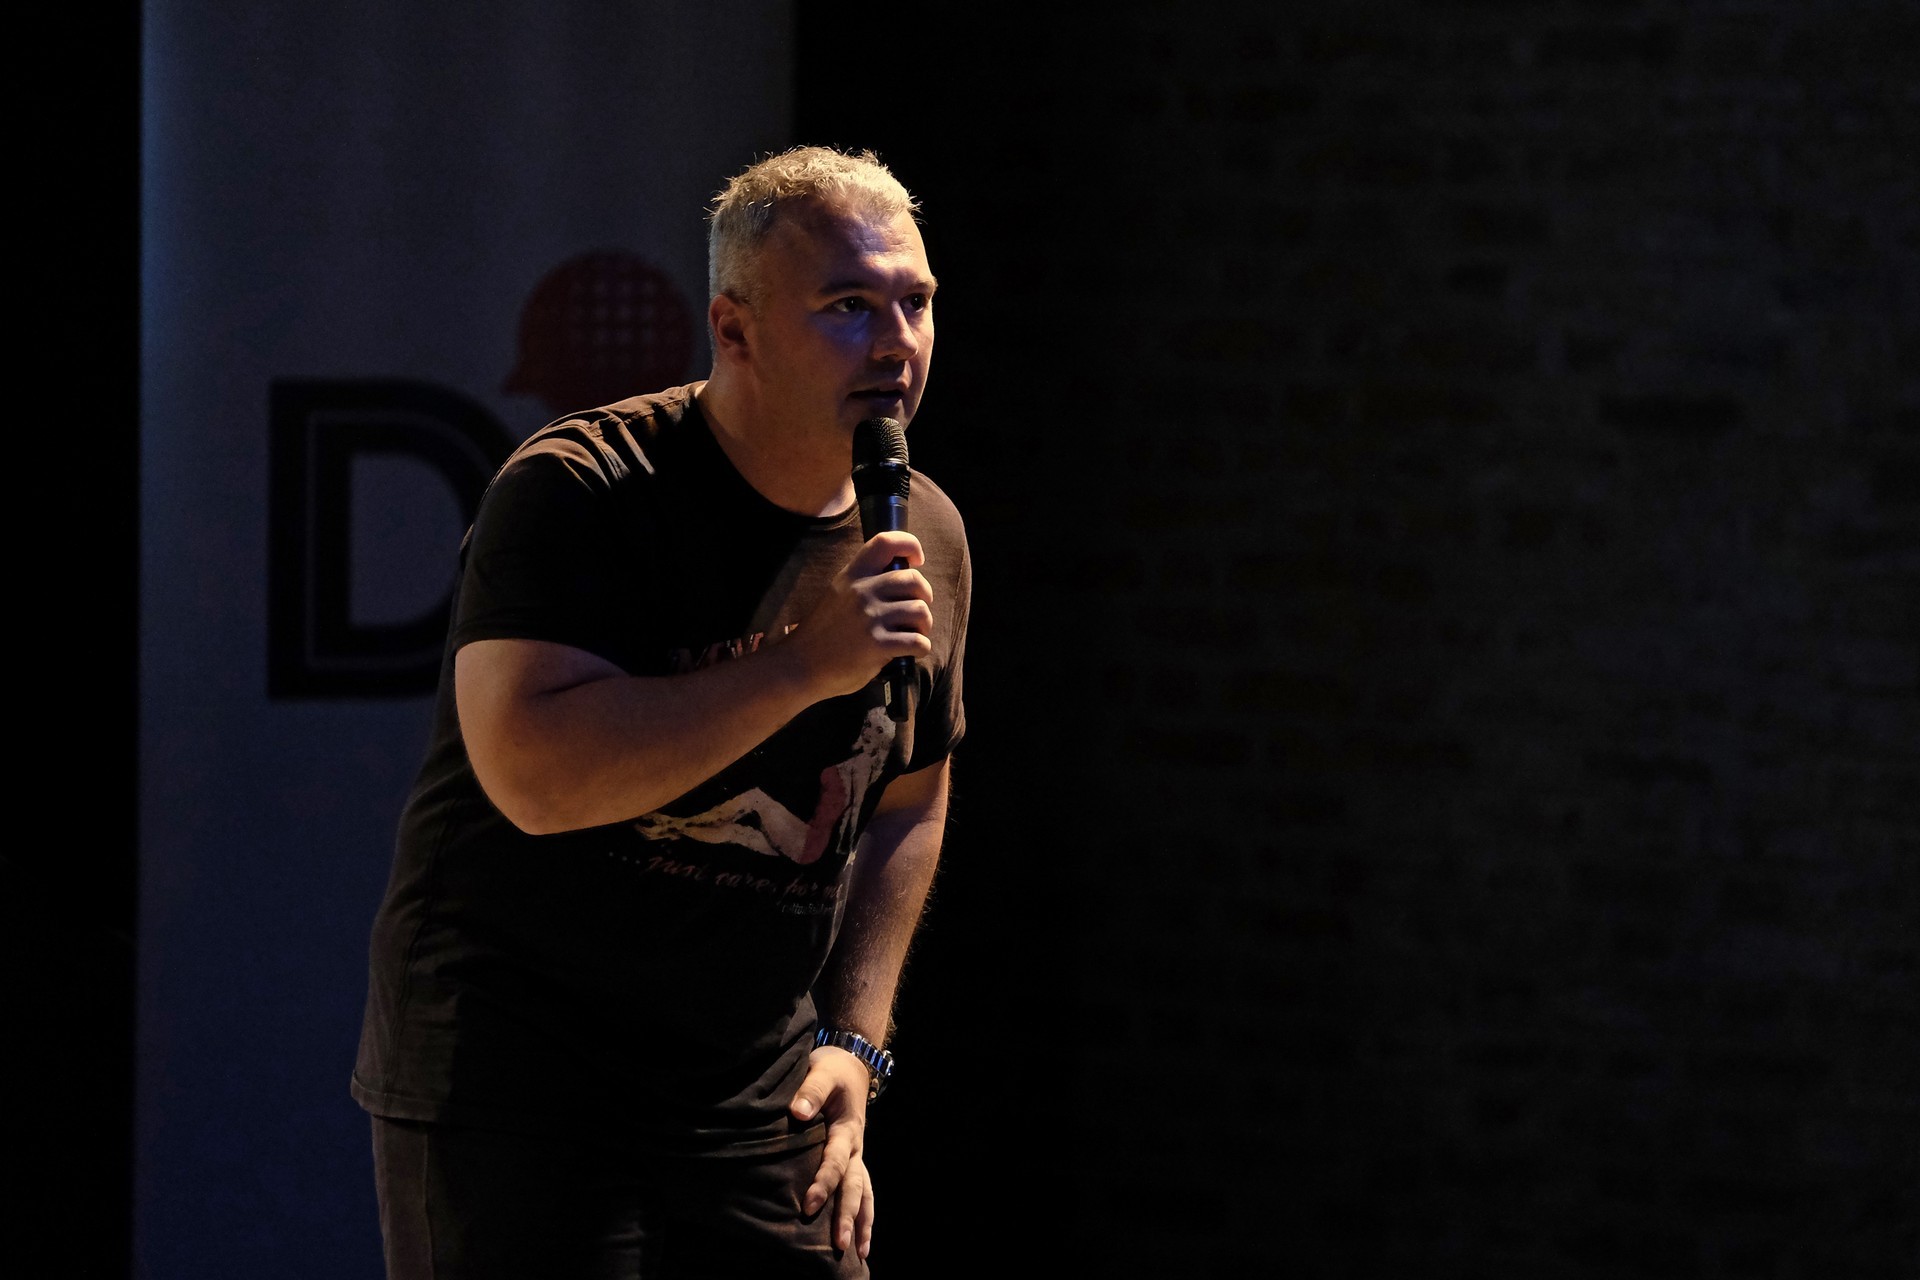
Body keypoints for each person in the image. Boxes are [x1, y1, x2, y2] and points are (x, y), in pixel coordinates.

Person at [350, 145, 969, 1279]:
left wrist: (856, 1040)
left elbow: (910, 799)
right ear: (734, 330)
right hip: (523, 1087)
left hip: (754, 1090)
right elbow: (534, 779)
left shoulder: (920, 527)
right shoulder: (584, 487)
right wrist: (804, 666)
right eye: (848, 306)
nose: (897, 343)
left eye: (916, 303)